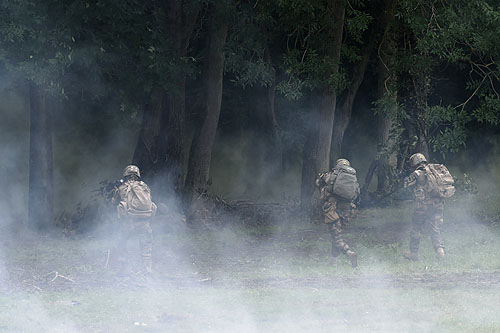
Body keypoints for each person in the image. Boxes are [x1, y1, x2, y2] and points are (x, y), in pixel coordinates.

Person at [403, 153, 455, 260]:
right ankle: (440, 252)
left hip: (423, 206)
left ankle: (414, 254)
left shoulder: (417, 173)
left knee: (416, 228)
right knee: (435, 229)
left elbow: (406, 186)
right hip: (438, 205)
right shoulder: (435, 171)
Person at [111, 165, 157, 275]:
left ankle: (125, 269)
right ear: (138, 175)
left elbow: (113, 203)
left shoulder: (122, 188)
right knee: (146, 248)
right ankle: (147, 270)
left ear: (125, 175)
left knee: (122, 243)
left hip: (128, 223)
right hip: (144, 222)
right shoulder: (144, 187)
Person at [316, 158, 360, 268]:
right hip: (347, 211)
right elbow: (357, 195)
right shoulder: (353, 180)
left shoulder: (332, 176)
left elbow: (318, 183)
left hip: (332, 209)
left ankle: (349, 252)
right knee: (336, 235)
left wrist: (322, 178)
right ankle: (333, 261)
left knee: (336, 237)